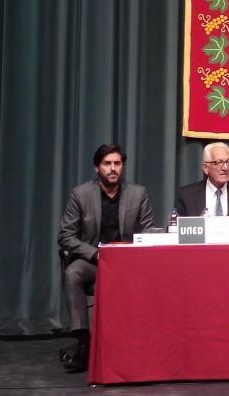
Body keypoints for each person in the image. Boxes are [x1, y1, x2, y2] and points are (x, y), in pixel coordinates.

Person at [57, 144, 154, 371]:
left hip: (127, 263)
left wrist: (141, 247)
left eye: (117, 164)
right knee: (73, 273)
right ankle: (83, 342)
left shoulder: (138, 193)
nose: (113, 169)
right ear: (96, 168)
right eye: (107, 164)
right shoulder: (80, 194)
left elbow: (150, 229)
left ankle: (140, 344)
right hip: (94, 260)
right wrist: (95, 254)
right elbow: (65, 235)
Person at [175, 142, 229, 231]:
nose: (225, 168)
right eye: (219, 162)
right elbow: (175, 230)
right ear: (205, 168)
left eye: (228, 162)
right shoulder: (187, 195)